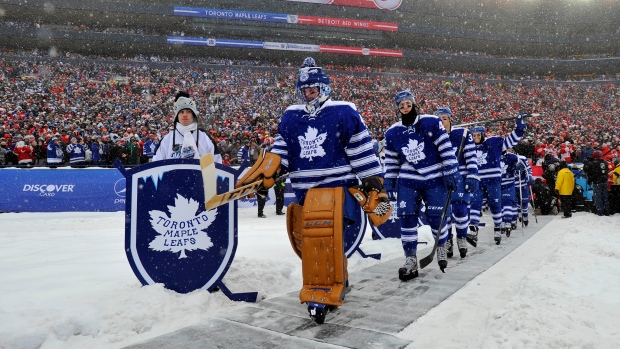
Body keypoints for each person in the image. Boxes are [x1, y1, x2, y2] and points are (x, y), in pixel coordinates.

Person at [244, 59, 390, 322]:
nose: (308, 95)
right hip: (305, 192)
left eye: (312, 90)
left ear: (323, 88)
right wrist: (272, 169)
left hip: (336, 189)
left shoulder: (343, 112)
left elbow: (359, 147)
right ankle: (337, 277)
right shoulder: (291, 115)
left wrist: (372, 179)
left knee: (327, 240)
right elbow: (283, 150)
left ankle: (322, 291)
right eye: (305, 91)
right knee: (312, 243)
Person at [384, 92, 460, 278]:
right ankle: (410, 257)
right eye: (401, 106)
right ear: (398, 109)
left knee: (437, 217)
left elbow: (445, 147)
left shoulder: (431, 122)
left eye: (408, 104)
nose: (405, 108)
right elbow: (392, 160)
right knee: (407, 219)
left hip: (434, 178)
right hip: (409, 180)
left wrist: (450, 169)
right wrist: (389, 181)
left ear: (414, 104)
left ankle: (441, 245)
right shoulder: (393, 132)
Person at [468, 113, 526, 245]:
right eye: (474, 135)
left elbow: (510, 141)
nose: (476, 138)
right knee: (475, 203)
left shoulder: (493, 143)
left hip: (493, 181)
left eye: (478, 135)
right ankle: (473, 228)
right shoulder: (469, 147)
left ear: (483, 135)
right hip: (478, 181)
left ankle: (497, 227)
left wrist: (519, 129)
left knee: (495, 206)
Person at [436, 107, 479, 258]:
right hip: (441, 178)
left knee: (460, 210)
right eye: (439, 119)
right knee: (445, 213)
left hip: (459, 176)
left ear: (450, 119)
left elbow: (471, 156)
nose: (442, 121)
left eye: (445, 118)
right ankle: (448, 240)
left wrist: (473, 174)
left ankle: (461, 236)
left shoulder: (462, 134)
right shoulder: (433, 136)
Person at [153, 91, 221, 162]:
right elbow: (156, 165)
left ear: (193, 114)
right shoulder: (166, 140)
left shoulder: (205, 138)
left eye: (188, 111)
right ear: (177, 116)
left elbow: (217, 163)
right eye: (181, 112)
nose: (185, 115)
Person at [584, 150, 609, 216]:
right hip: (604, 181)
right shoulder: (605, 162)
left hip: (597, 182)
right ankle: (606, 210)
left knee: (598, 197)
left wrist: (587, 163)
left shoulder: (594, 163)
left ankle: (600, 211)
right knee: (605, 197)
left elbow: (587, 170)